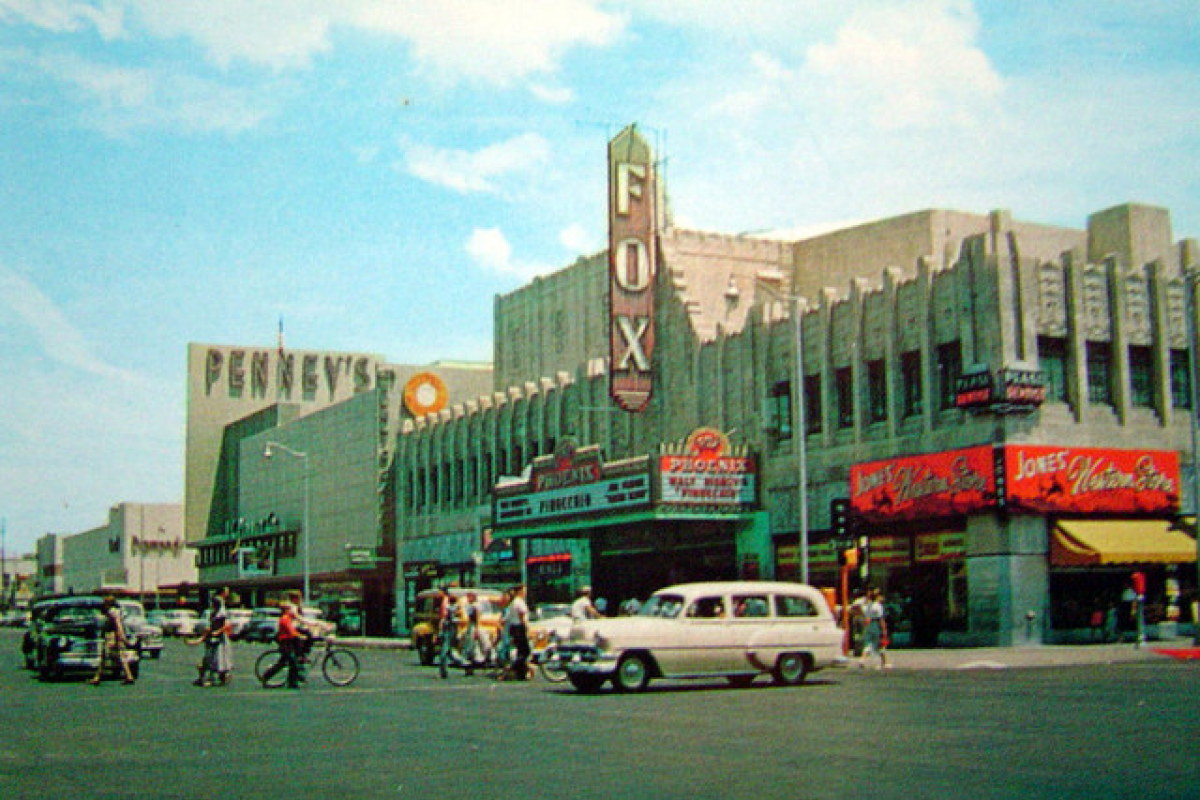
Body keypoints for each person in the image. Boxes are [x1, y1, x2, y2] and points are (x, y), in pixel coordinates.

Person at [89, 596, 135, 685]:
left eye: (105, 603)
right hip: (115, 635)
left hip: (112, 635)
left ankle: (97, 678)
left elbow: (118, 625)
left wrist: (121, 636)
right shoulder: (117, 611)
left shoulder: (112, 612)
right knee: (121, 657)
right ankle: (129, 676)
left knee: (105, 656)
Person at [260, 602, 308, 689]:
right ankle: (291, 682)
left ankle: (291, 682)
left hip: (288, 642)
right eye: (289, 609)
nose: (291, 611)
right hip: (285, 643)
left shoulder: (287, 618)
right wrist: (301, 636)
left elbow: (294, 628)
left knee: (284, 663)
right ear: (286, 610)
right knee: (291, 662)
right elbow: (291, 632)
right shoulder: (285, 619)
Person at [502, 584, 531, 681]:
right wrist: (526, 627)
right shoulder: (519, 602)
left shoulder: (513, 602)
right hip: (519, 627)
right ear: (519, 592)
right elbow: (522, 616)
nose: (525, 593)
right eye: (524, 591)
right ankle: (512, 667)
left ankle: (521, 673)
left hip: (513, 627)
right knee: (525, 651)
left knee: (520, 651)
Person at [859, 588, 890, 670]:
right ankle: (885, 662)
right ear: (877, 597)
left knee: (868, 644)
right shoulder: (878, 606)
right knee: (880, 644)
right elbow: (881, 619)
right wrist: (884, 630)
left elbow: (862, 614)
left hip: (867, 626)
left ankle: (862, 659)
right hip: (876, 625)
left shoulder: (865, 606)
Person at [438, 591, 464, 679]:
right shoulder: (449, 605)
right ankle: (445, 669)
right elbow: (443, 617)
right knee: (446, 650)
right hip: (448, 629)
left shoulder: (455, 606)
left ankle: (462, 663)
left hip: (452, 629)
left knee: (447, 650)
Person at [1130, 571, 1147, 648]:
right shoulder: (1140, 577)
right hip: (1140, 596)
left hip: (1138, 596)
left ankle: (1140, 638)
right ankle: (1141, 637)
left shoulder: (1136, 577)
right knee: (1140, 619)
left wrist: (1133, 610)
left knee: (1140, 619)